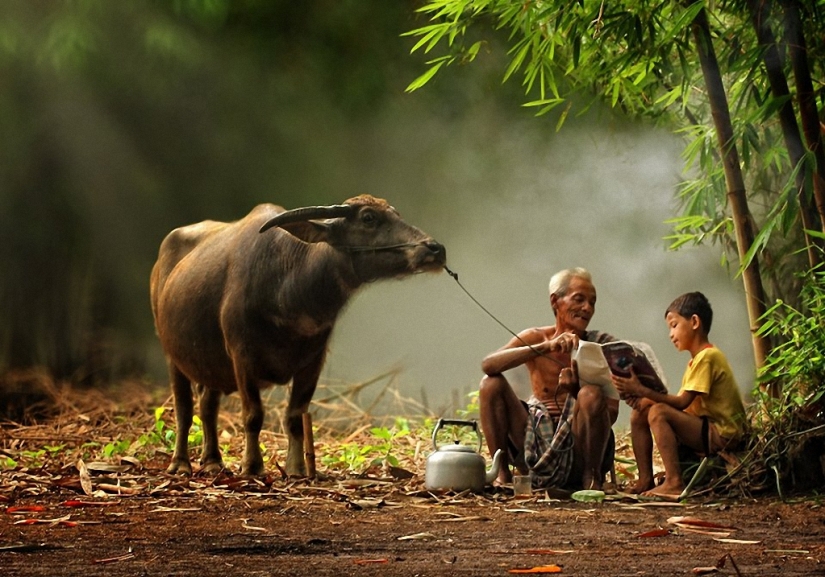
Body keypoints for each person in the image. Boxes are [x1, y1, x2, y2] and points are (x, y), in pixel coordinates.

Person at [478, 267, 618, 491]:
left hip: (578, 446)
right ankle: (501, 474)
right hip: (533, 440)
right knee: (490, 384)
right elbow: (488, 365)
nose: (587, 308)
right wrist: (545, 347)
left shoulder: (602, 345)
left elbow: (610, 413)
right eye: (579, 299)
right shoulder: (536, 337)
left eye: (592, 302)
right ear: (556, 301)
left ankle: (592, 479)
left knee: (589, 394)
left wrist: (576, 393)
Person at [612, 291, 747, 499]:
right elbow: (685, 405)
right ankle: (644, 479)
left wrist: (643, 390)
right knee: (640, 412)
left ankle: (674, 482)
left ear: (694, 322)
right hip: (704, 427)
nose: (670, 334)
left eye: (674, 325)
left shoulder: (708, 356)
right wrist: (643, 399)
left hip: (721, 434)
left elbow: (682, 402)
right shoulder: (696, 361)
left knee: (658, 412)